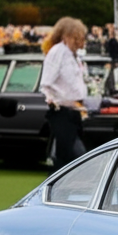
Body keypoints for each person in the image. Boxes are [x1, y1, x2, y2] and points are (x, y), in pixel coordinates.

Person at [40, 17, 88, 170]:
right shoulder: (57, 53)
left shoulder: (74, 55)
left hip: (75, 111)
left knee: (64, 157)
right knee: (76, 157)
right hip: (63, 111)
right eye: (78, 37)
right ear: (68, 36)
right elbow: (46, 83)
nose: (81, 42)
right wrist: (54, 100)